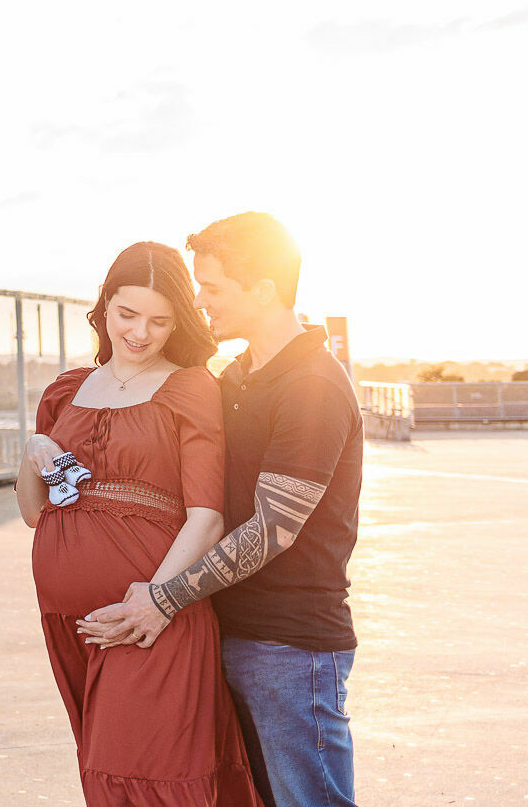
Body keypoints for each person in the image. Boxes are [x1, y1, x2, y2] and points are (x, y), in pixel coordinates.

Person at [78, 213, 363, 807]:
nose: (200, 302)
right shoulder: (235, 377)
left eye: (212, 288)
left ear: (261, 291)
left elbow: (273, 528)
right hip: (224, 632)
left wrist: (164, 598)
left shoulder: (313, 385)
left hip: (290, 649)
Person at [22, 241, 262, 805]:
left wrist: (154, 601)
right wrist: (32, 448)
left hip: (152, 615)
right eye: (127, 314)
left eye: (159, 321)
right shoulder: (65, 390)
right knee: (104, 775)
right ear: (104, 306)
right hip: (71, 620)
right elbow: (35, 512)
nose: (140, 333)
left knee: (144, 779)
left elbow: (206, 518)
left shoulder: (190, 386)